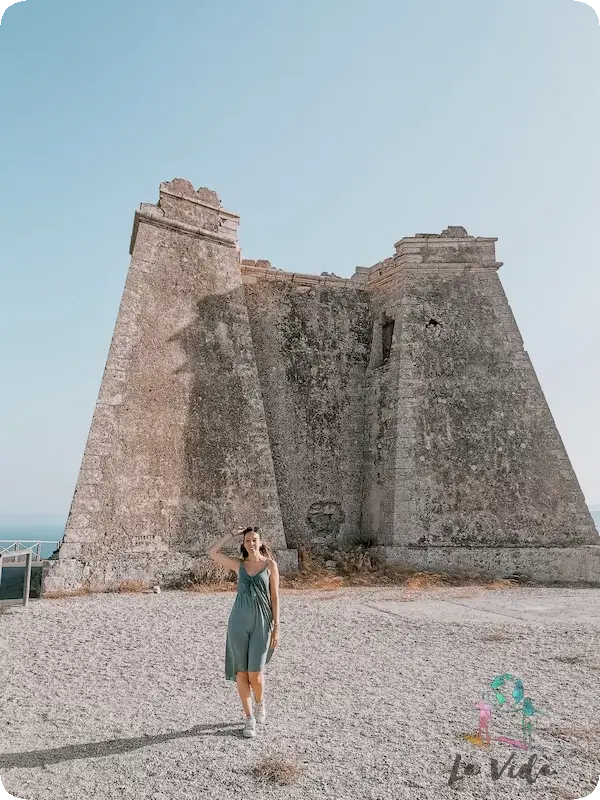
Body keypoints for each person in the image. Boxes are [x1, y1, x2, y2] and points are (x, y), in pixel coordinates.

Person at [208, 525, 280, 738]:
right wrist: (231, 533)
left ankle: (260, 703)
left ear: (261, 541)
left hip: (262, 622)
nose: (251, 543)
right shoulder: (239, 565)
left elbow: (275, 597)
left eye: (254, 540)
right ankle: (249, 719)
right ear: (243, 543)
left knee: (255, 675)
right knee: (241, 672)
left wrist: (277, 626)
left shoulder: (270, 565)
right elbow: (212, 552)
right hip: (238, 622)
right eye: (247, 540)